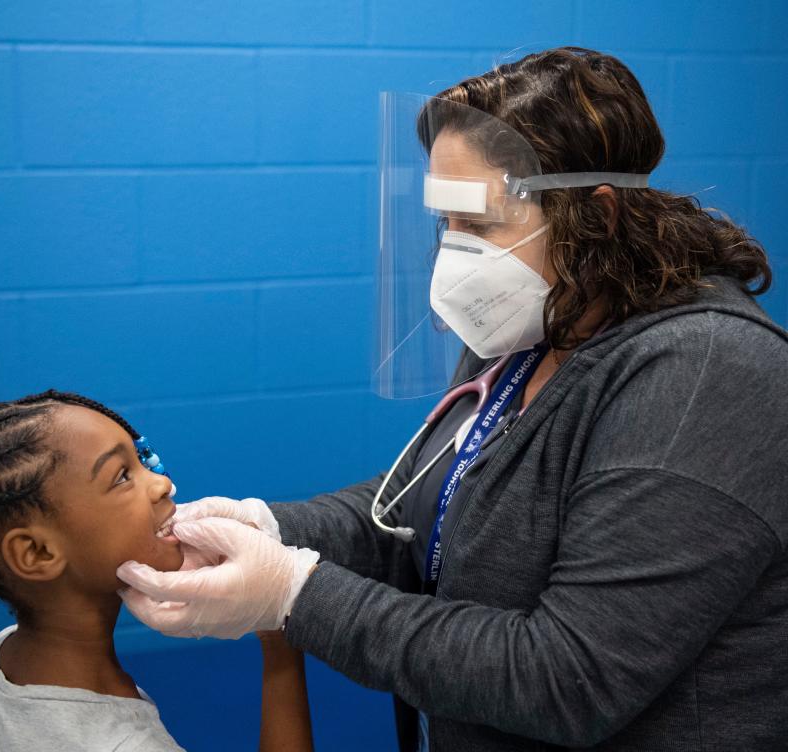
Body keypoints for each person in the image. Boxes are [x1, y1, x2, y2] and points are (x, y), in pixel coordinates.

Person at [116, 48, 788, 751]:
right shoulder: (536, 321)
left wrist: (294, 594)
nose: (455, 256)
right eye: (445, 222)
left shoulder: (706, 375)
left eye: (481, 223)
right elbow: (431, 509)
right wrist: (272, 529)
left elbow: (567, 679)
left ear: (599, 213)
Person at [0, 390, 314, 752]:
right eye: (122, 476)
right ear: (37, 553)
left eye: (141, 458)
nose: (163, 483)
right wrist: (280, 640)